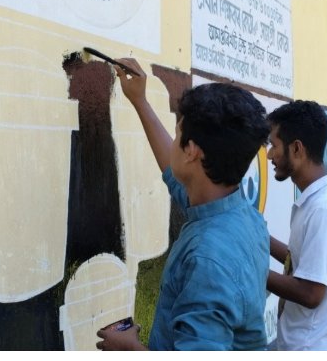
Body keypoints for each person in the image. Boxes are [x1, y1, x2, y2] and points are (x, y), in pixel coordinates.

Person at [98, 59, 270, 350]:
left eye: (178, 134)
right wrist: (139, 100)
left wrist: (129, 348)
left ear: (191, 152)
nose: (174, 140)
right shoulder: (240, 214)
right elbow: (175, 172)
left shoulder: (208, 260)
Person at [266, 100, 327, 350]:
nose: (268, 154)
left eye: (273, 145)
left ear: (296, 149)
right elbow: (309, 263)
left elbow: (310, 292)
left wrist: (250, 270)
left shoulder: (323, 209)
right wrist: (261, 241)